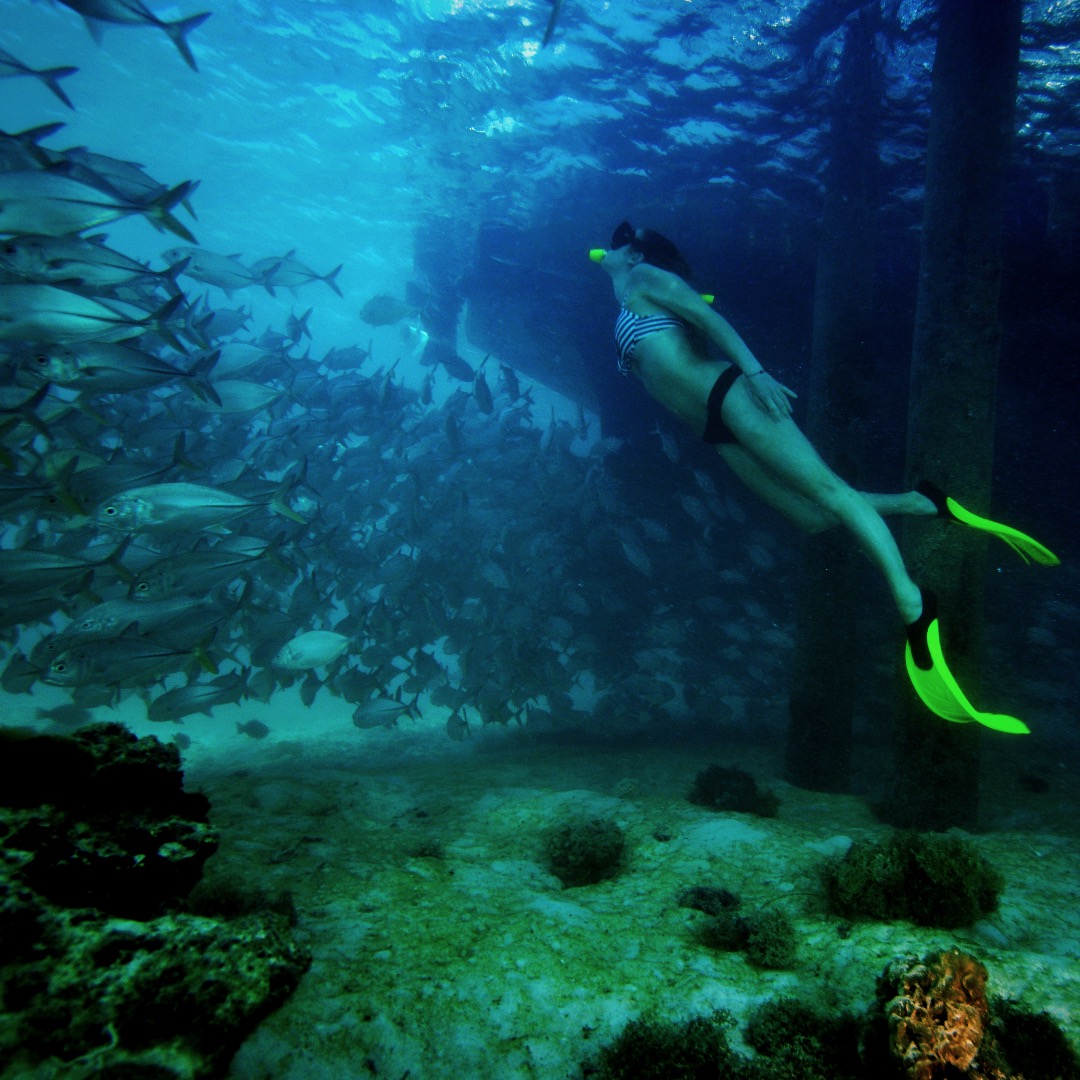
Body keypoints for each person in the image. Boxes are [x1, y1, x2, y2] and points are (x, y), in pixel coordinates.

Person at [591, 221, 1059, 735]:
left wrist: (755, 373)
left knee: (830, 492)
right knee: (812, 517)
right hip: (712, 430)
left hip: (732, 395)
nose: (607, 245)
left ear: (633, 253)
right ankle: (923, 503)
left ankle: (913, 604)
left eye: (619, 238)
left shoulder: (646, 278)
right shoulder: (625, 300)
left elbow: (709, 319)